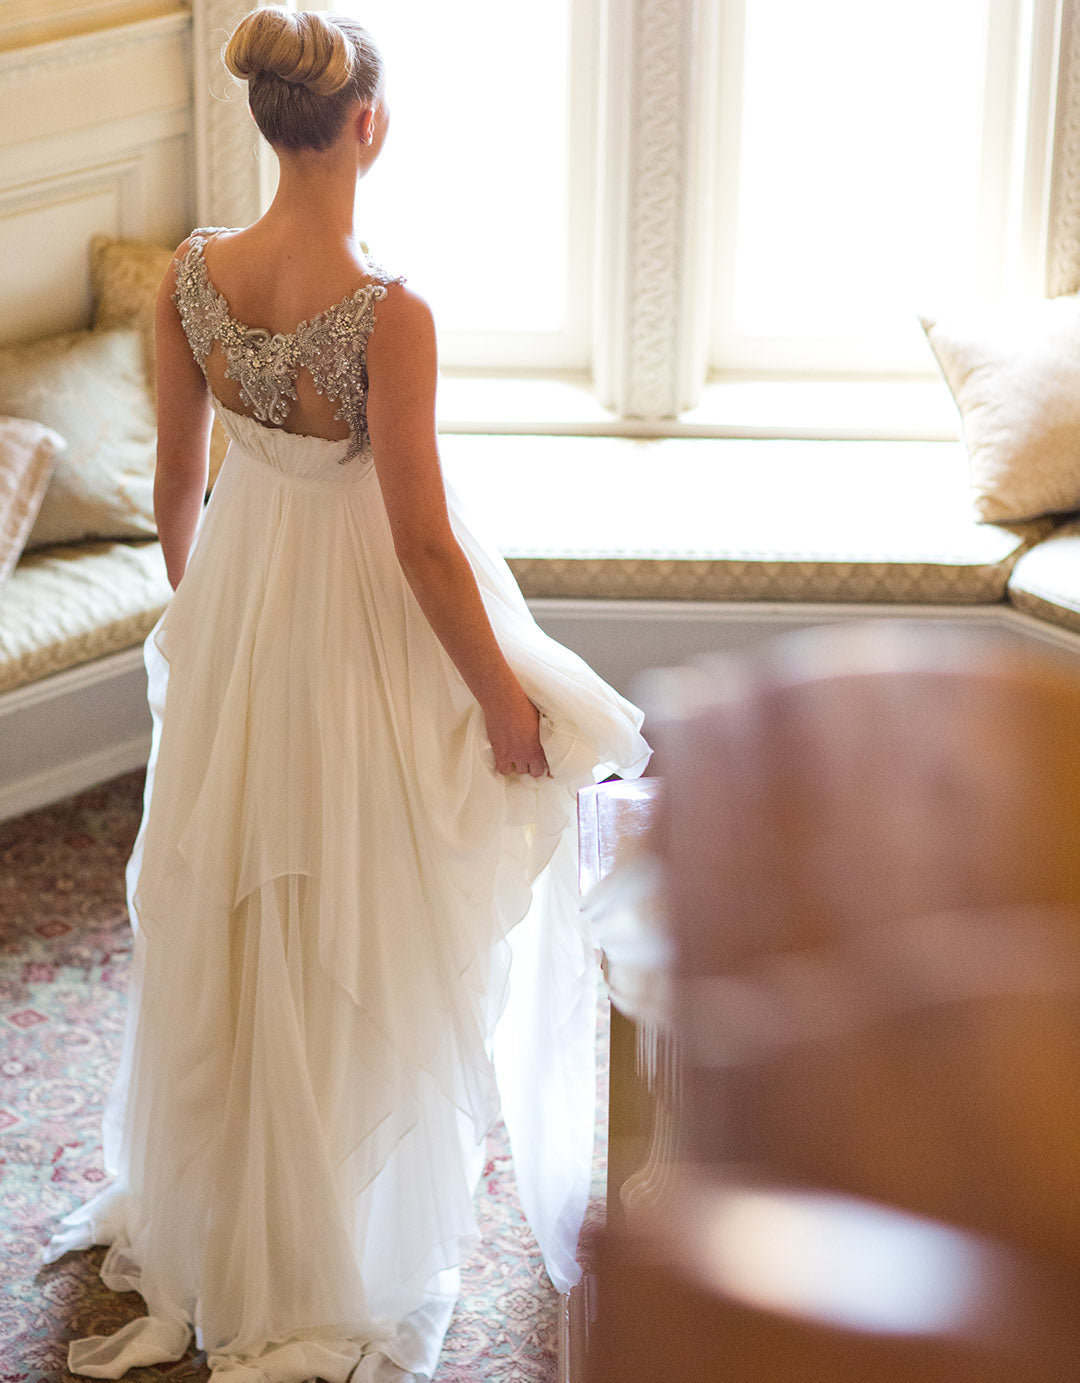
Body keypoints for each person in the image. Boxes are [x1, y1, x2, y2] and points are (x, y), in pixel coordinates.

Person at [43, 8, 651, 1380]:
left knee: (242, 887)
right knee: (358, 890)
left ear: (271, 123)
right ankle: (325, 1222)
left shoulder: (191, 275)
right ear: (366, 125)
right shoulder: (391, 312)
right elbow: (423, 544)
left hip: (240, 598)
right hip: (360, 616)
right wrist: (500, 701)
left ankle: (238, 1198)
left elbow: (174, 483)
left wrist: (204, 624)